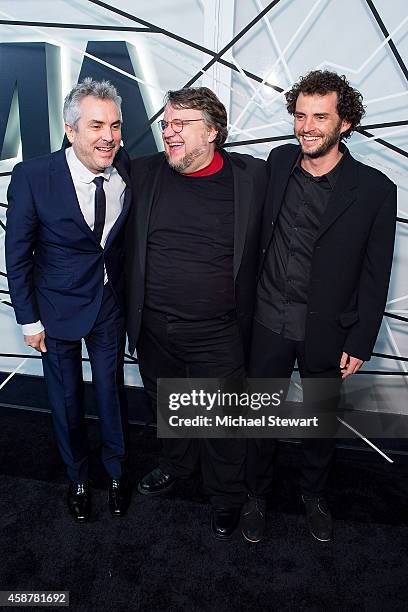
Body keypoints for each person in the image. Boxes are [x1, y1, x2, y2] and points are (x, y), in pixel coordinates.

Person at [243, 70, 396, 543]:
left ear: (344, 123)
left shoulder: (375, 190)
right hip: (268, 318)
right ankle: (255, 495)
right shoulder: (278, 161)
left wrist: (361, 340)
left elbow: (376, 273)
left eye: (320, 117)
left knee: (320, 421)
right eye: (301, 115)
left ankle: (314, 495)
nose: (307, 126)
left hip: (328, 328)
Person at [125, 87, 267, 539]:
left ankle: (227, 495)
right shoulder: (143, 173)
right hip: (153, 325)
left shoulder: (252, 178)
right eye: (166, 124)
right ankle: (175, 465)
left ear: (213, 131)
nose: (169, 133)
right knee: (168, 405)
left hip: (218, 330)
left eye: (181, 124)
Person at [6, 78, 132, 522]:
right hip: (55, 308)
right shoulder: (34, 176)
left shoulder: (124, 169)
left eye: (115, 125)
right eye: (96, 125)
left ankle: (117, 473)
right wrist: (28, 320)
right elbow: (18, 255)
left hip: (108, 305)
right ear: (70, 129)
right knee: (66, 400)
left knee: (111, 395)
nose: (108, 136)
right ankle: (78, 477)